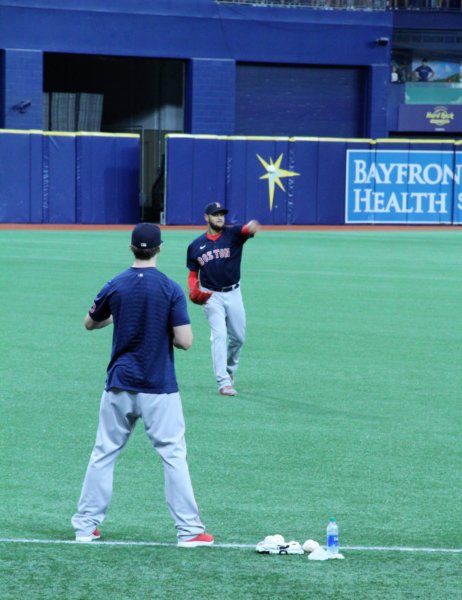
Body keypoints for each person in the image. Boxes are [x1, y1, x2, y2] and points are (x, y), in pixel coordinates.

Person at [71, 223, 214, 548]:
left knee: (103, 453)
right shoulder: (169, 288)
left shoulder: (116, 284)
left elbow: (90, 322)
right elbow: (185, 341)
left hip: (119, 384)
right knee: (173, 455)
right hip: (158, 386)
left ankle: (85, 527)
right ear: (159, 248)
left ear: (132, 248)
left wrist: (117, 318)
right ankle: (190, 531)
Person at [186, 202, 260, 396]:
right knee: (219, 335)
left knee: (238, 338)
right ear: (206, 217)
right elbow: (193, 274)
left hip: (234, 293)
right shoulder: (195, 246)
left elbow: (245, 230)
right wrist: (193, 288)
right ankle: (223, 382)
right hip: (211, 296)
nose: (219, 217)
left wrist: (251, 226)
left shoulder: (233, 234)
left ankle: (229, 370)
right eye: (215, 214)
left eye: (222, 214)